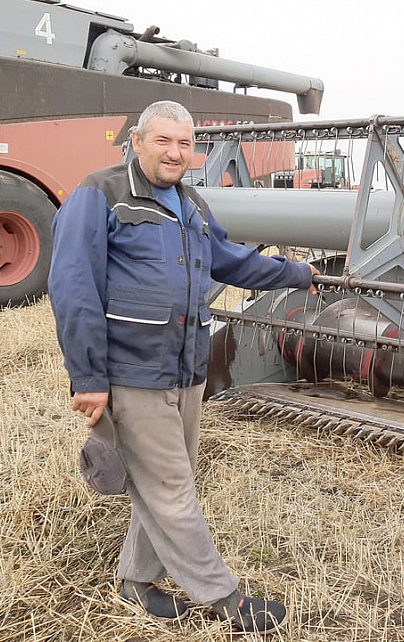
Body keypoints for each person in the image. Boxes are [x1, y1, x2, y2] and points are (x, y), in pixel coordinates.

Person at [48, 100, 317, 633]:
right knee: (172, 491)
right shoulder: (98, 195)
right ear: (138, 142)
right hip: (132, 371)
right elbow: (72, 287)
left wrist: (296, 273)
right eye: (163, 141)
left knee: (166, 483)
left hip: (185, 367)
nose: (175, 153)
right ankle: (228, 600)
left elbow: (229, 259)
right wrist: (89, 377)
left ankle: (136, 578)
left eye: (185, 143)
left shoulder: (189, 202)